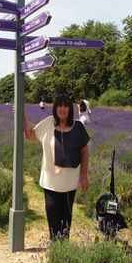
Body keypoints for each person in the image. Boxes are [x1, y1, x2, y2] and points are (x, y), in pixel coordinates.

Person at [24, 94, 90, 240]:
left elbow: (84, 152)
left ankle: (63, 249)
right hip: (50, 181)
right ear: (55, 108)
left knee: (66, 217)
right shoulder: (48, 123)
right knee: (53, 216)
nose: (62, 109)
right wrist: (22, 116)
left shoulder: (78, 126)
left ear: (70, 108)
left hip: (70, 182)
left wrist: (84, 175)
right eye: (59, 105)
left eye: (65, 105)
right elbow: (29, 135)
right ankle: (55, 248)